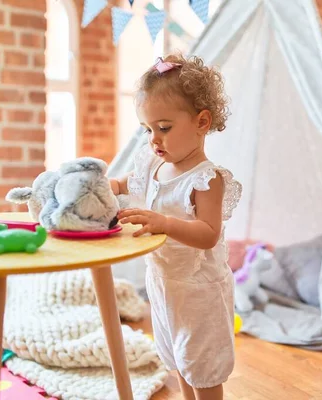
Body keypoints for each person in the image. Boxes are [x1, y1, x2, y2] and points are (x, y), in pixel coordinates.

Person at [110, 53, 242, 400]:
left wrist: (165, 223)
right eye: (148, 129)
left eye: (164, 128)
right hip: (164, 285)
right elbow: (128, 184)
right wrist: (108, 187)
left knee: (203, 365)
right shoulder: (153, 164)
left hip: (199, 291)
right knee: (180, 360)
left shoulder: (205, 179)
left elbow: (208, 233)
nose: (154, 139)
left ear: (202, 122)